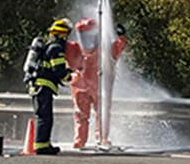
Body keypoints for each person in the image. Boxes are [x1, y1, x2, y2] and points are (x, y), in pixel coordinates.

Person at [65, 17, 127, 148]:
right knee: (80, 114)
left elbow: (118, 47)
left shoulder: (105, 49)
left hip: (98, 85)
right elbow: (59, 46)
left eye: (90, 35)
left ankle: (102, 138)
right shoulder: (74, 48)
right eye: (84, 35)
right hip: (81, 85)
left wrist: (121, 36)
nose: (87, 39)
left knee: (102, 113)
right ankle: (80, 140)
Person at [26, 18, 73, 155]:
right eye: (66, 35)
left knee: (45, 116)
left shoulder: (48, 46)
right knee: (44, 117)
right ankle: (41, 146)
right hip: (43, 87)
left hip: (39, 86)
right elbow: (58, 70)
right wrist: (69, 77)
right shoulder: (56, 48)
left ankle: (44, 144)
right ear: (62, 35)